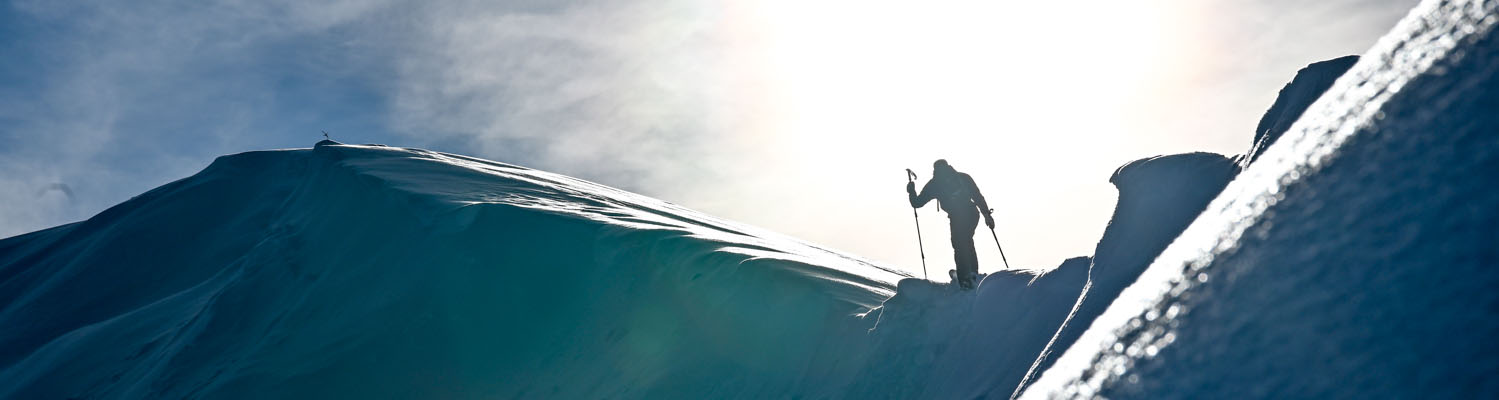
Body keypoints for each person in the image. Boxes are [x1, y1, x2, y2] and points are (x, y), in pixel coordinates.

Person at [907, 159, 993, 289]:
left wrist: (911, 190)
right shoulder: (963, 177)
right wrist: (987, 215)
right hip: (972, 213)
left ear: (934, 170)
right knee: (966, 241)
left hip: (957, 216)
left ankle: (965, 278)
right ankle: (972, 273)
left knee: (959, 243)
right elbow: (977, 196)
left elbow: (917, 203)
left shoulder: (935, 184)